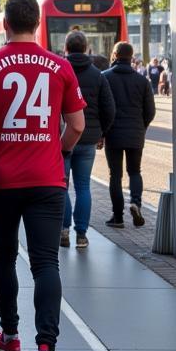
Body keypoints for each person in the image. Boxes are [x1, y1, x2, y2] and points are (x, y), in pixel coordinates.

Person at [0, 0, 85, 351]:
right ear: (37, 24)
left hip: (0, 177)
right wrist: (59, 149)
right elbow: (78, 125)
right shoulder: (60, 65)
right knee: (45, 262)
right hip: (47, 178)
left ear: (5, 25)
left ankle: (10, 336)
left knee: (3, 254)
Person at [62, 30, 115, 249]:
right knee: (83, 186)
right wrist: (101, 133)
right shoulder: (98, 75)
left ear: (66, 48)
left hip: (63, 138)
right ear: (86, 49)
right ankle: (81, 234)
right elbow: (109, 109)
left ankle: (63, 230)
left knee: (61, 186)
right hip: (87, 139)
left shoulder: (58, 70)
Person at [102, 42, 155, 229]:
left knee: (115, 175)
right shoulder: (142, 81)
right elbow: (150, 111)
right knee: (134, 171)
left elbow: (103, 108)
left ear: (115, 54)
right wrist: (142, 126)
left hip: (113, 133)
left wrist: (103, 131)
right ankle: (136, 202)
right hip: (135, 133)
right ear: (132, 57)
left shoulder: (105, 77)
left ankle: (117, 217)